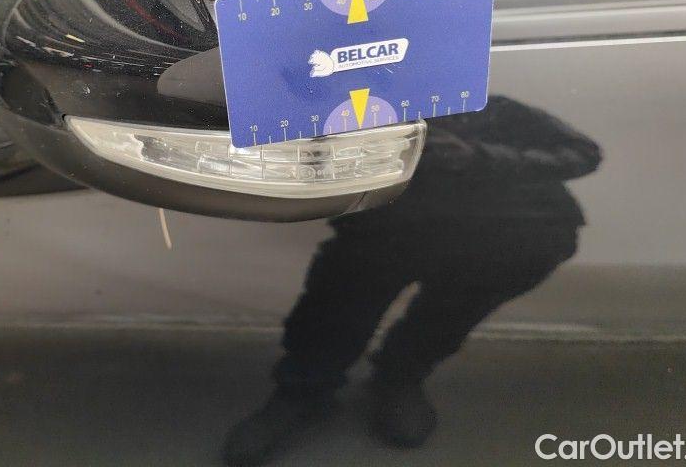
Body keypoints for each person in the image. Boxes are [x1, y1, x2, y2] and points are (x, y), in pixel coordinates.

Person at [223, 96, 602, 466]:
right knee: (336, 307)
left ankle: (399, 377)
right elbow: (305, 161)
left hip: (503, 238)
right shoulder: (366, 111)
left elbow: (583, 152)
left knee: (445, 318)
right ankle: (304, 390)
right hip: (392, 230)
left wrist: (480, 156)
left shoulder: (497, 111)